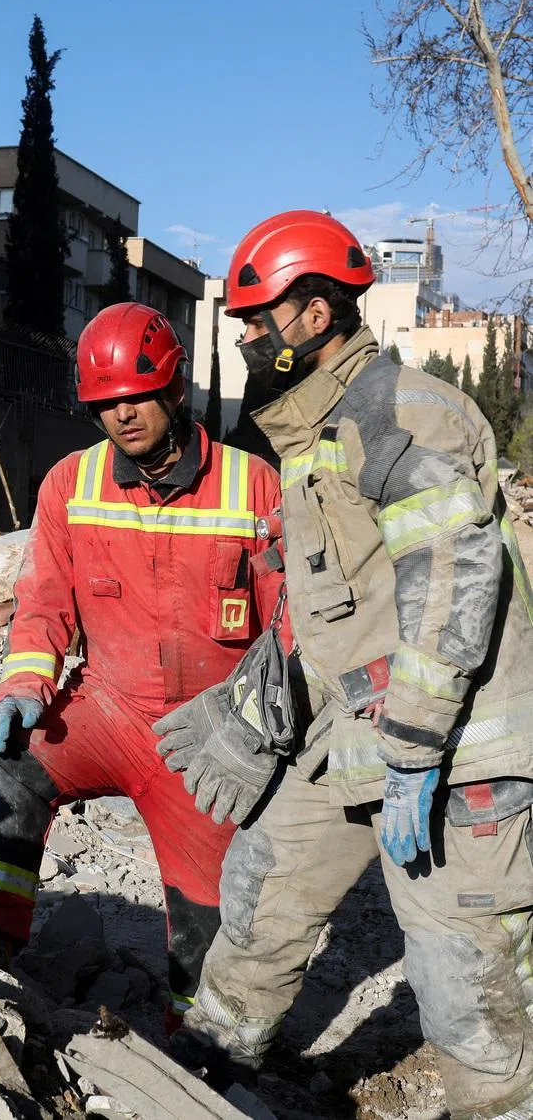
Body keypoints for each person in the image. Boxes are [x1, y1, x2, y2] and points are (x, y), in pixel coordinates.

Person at [167, 210, 533, 1120]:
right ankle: (203, 1069)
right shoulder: (316, 435)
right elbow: (346, 599)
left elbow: (454, 573)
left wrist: (414, 743)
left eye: (260, 319)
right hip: (355, 739)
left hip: (456, 755)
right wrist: (264, 700)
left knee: (465, 978)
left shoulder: (399, 410)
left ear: (318, 312)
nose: (248, 337)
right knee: (263, 890)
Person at [0, 302, 284, 1028]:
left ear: (175, 390)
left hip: (206, 742)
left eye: (136, 396)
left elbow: (287, 629)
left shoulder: (253, 487)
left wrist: (261, 738)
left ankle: (197, 1045)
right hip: (108, 707)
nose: (122, 416)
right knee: (3, 766)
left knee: (211, 938)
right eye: (105, 404)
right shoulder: (71, 485)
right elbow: (42, 608)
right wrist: (23, 687)